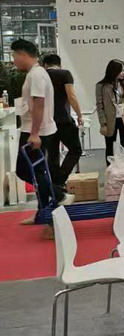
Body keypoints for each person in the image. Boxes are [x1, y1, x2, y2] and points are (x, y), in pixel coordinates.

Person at [11, 38, 67, 225]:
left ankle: (56, 197)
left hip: (36, 131)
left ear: (22, 54)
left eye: (14, 56)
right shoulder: (36, 74)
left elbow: (39, 104)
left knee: (29, 171)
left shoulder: (37, 75)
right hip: (35, 129)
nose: (13, 60)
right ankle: (44, 211)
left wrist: (34, 134)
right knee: (36, 172)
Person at [41, 53, 83, 188]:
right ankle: (60, 179)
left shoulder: (41, 76)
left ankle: (55, 185)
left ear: (45, 65)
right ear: (59, 64)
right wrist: (79, 114)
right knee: (75, 150)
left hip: (46, 121)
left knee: (52, 154)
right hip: (64, 120)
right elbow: (71, 96)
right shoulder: (65, 74)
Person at [95, 59, 124, 159]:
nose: (123, 73)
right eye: (120, 70)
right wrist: (103, 123)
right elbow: (100, 106)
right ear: (113, 70)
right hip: (110, 119)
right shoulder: (101, 86)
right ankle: (111, 167)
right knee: (110, 147)